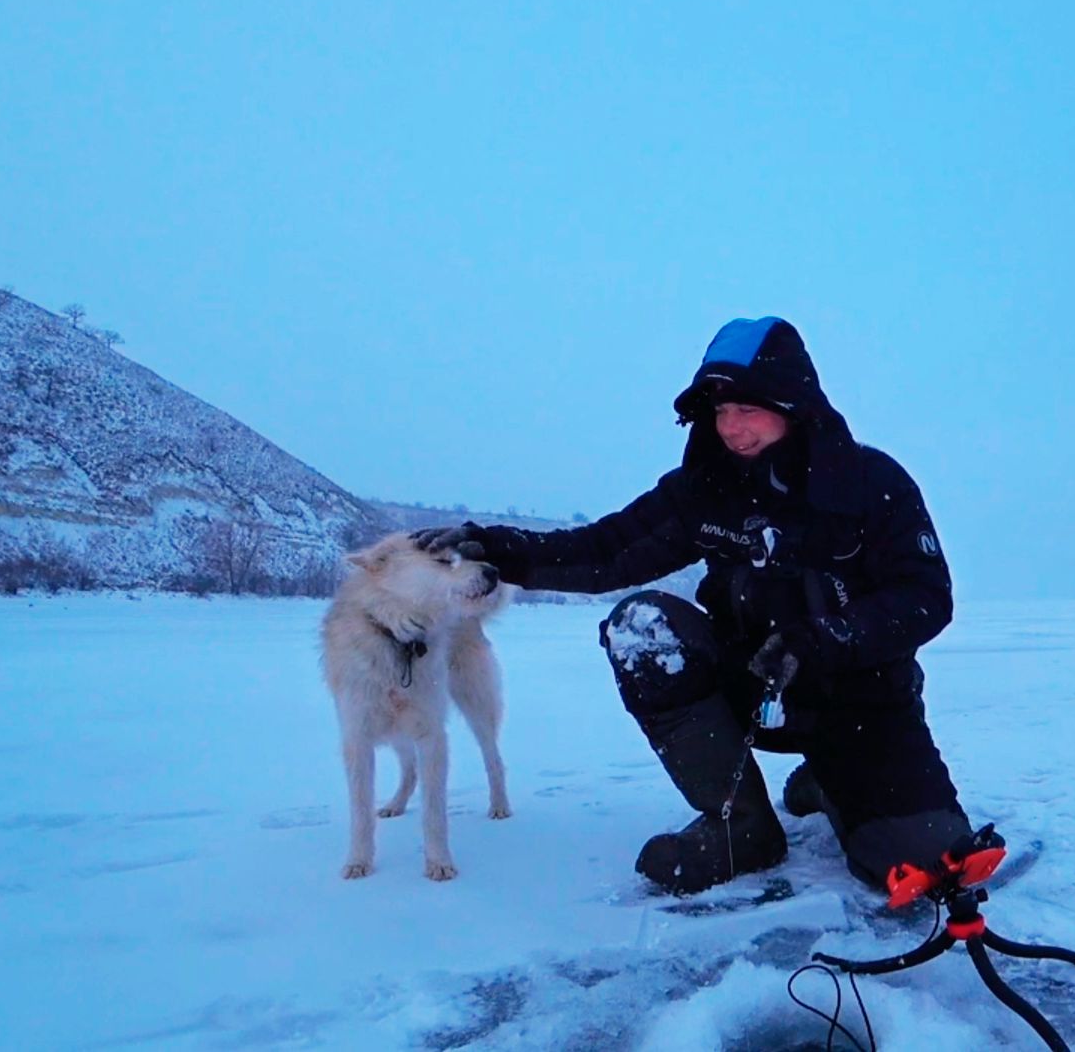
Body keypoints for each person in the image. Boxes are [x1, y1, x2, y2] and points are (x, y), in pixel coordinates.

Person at [414, 316, 971, 895]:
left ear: (793, 403)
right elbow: (606, 551)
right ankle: (741, 824)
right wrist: (499, 549)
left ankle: (831, 781)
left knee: (925, 861)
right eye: (719, 412)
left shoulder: (871, 483)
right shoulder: (704, 490)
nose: (731, 428)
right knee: (643, 627)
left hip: (859, 698)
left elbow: (925, 595)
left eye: (747, 409)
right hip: (750, 689)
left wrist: (824, 638)